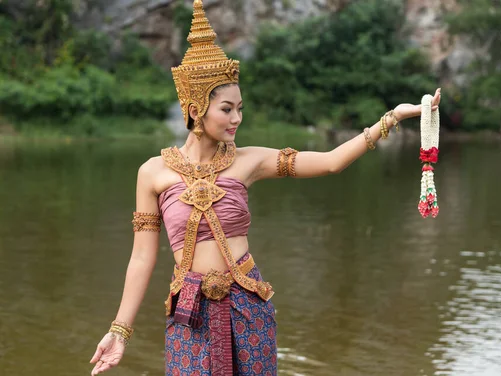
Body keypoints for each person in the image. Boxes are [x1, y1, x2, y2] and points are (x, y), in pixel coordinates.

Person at [89, 1, 441, 375]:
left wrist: (391, 118)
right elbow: (142, 258)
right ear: (195, 108)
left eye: (240, 108)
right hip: (189, 313)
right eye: (226, 109)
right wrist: (119, 330)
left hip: (247, 304)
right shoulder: (152, 173)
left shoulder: (249, 161)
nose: (237, 118)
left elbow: (330, 162)